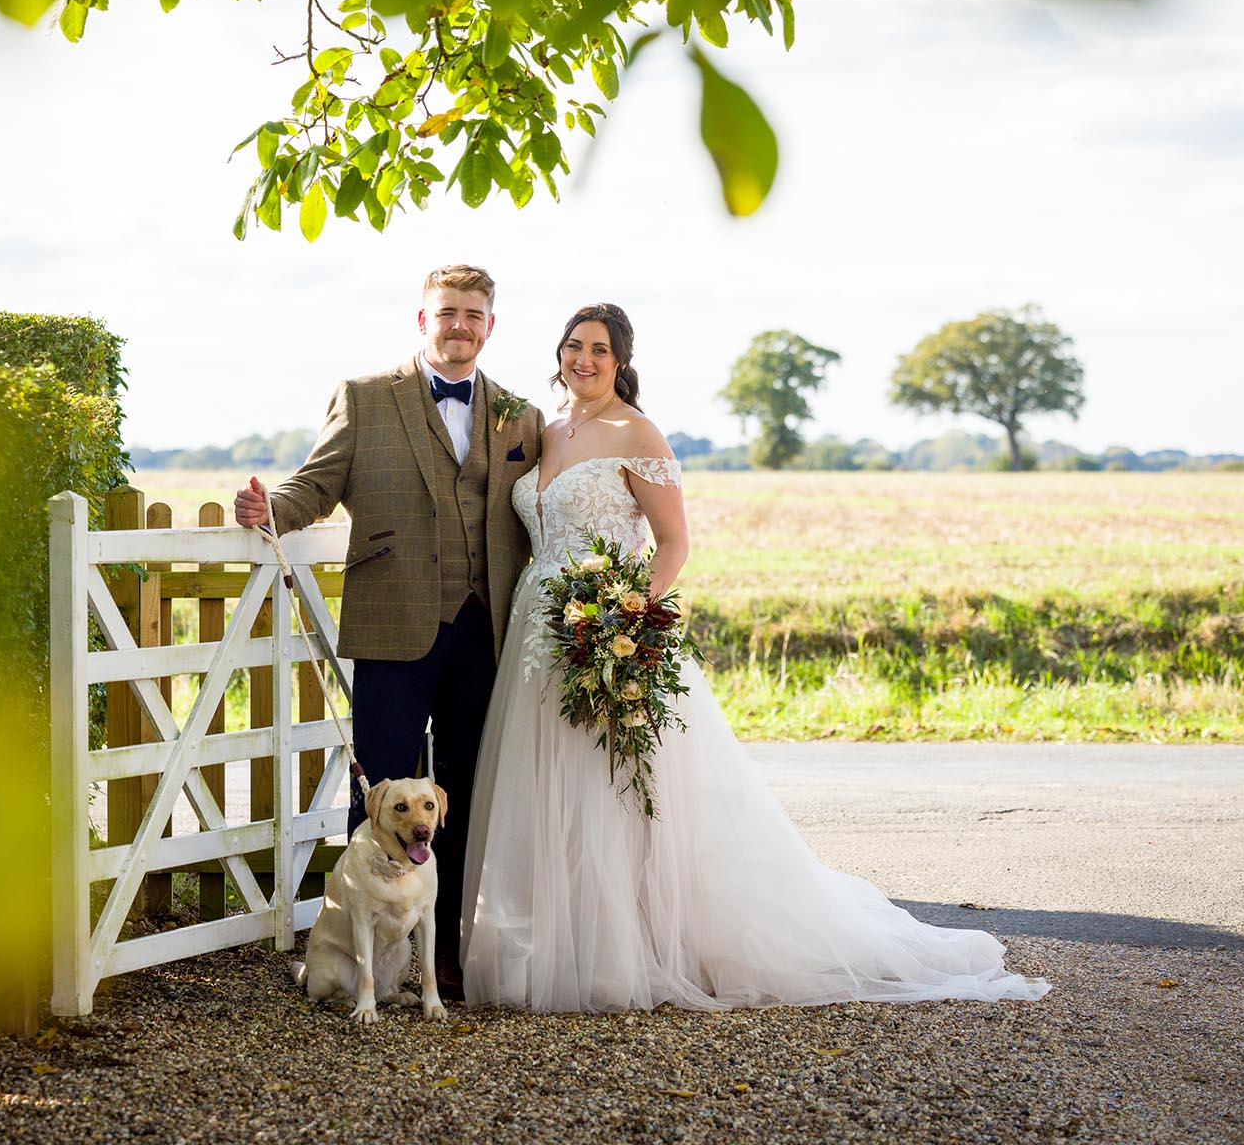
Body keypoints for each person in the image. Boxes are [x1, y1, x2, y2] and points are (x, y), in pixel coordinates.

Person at [460, 303, 1051, 1011]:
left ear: (621, 362)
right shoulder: (542, 428)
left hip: (606, 629)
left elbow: (673, 542)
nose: (583, 359)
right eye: (574, 346)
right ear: (559, 353)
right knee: (546, 781)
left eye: (599, 349)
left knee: (615, 789)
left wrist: (629, 612)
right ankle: (558, 941)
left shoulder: (636, 431)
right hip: (538, 628)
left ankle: (633, 949)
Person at [234, 264, 544, 1001]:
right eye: (447, 312)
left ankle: (447, 954)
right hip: (393, 621)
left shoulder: (519, 414)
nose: (459, 324)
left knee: (462, 791)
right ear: (422, 319)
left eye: (473, 313)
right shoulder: (367, 398)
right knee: (377, 793)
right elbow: (317, 482)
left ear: (490, 325)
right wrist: (268, 508)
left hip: (484, 630)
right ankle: (356, 954)